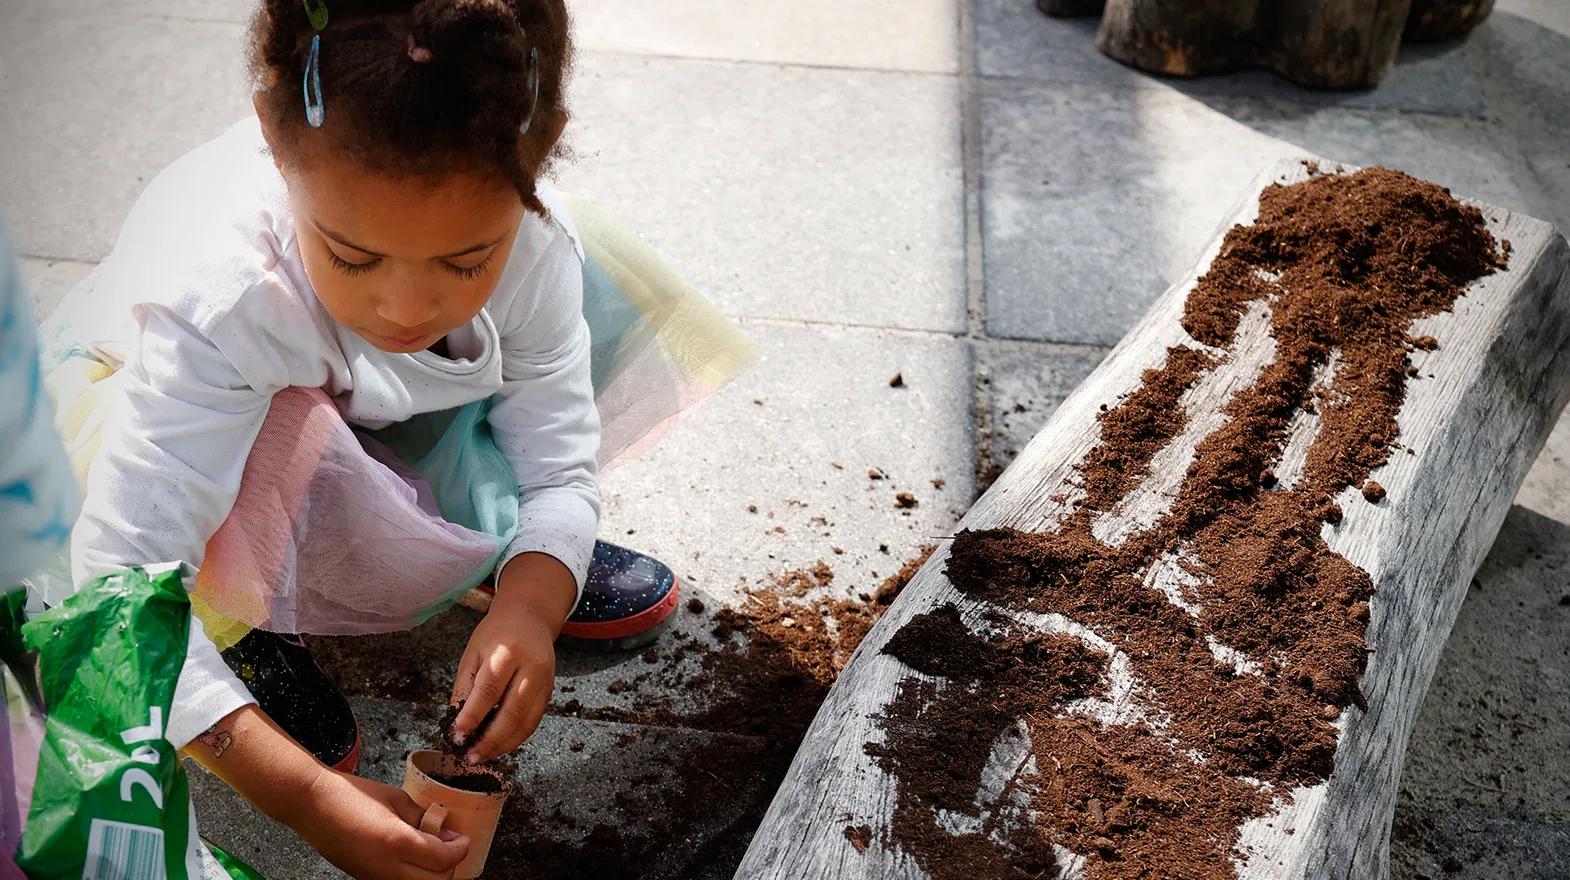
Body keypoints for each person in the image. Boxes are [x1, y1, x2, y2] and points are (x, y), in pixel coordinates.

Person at [38, 1, 751, 876]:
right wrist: (301, 796)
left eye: (464, 261)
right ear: (270, 130)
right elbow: (118, 583)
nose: (408, 309)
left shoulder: (531, 242)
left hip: (368, 402)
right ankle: (242, 627)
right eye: (351, 255)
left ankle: (487, 553)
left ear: (543, 141)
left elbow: (558, 457)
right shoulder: (225, 300)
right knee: (277, 443)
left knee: (581, 278)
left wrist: (534, 599)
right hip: (200, 424)